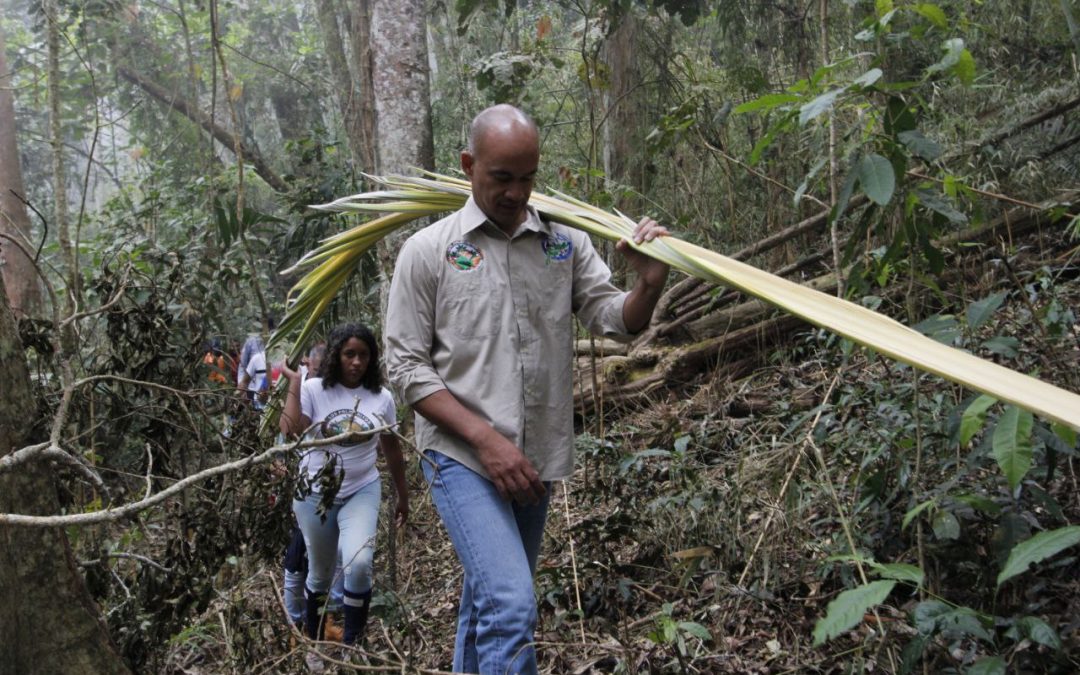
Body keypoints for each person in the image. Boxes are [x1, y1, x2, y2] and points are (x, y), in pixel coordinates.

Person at [385, 104, 670, 674]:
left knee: (487, 603)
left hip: (535, 456)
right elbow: (405, 368)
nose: (517, 193)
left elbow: (615, 319)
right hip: (462, 455)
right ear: (469, 166)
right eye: (501, 178)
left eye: (527, 177)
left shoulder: (562, 243)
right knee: (513, 607)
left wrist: (650, 282)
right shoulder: (429, 251)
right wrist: (487, 442)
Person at [279, 323, 410, 654]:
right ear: (336, 355)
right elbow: (290, 430)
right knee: (320, 574)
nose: (356, 362)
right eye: (349, 354)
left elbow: (393, 449)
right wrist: (295, 383)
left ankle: (355, 645)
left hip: (361, 489)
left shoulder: (381, 398)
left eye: (363, 355)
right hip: (314, 494)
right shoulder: (313, 389)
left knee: (360, 563)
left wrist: (402, 495)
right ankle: (314, 642)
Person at [281, 342, 343, 635]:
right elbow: (287, 432)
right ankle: (299, 624)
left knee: (338, 558)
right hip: (307, 495)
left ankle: (329, 622)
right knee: (298, 561)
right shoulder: (303, 394)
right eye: (315, 371)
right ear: (306, 367)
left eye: (325, 371)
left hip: (339, 493)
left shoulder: (340, 398)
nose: (319, 377)